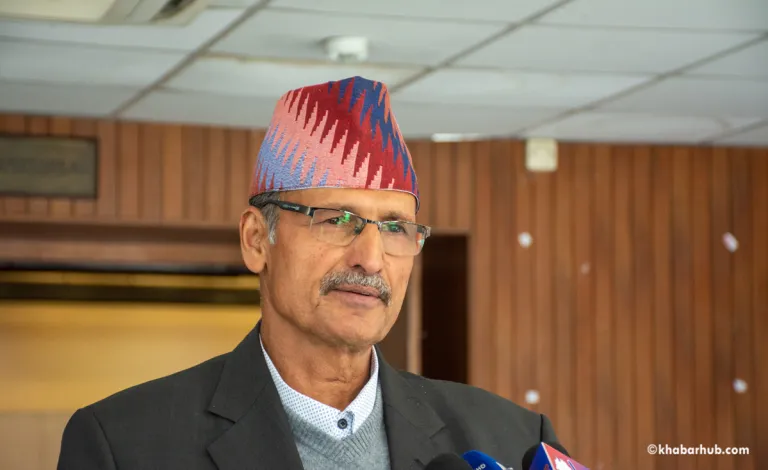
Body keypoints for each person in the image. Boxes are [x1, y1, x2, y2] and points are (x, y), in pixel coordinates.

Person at [57, 76, 559, 470]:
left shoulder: (514, 439)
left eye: (395, 228)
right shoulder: (125, 444)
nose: (370, 258)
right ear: (257, 239)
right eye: (336, 220)